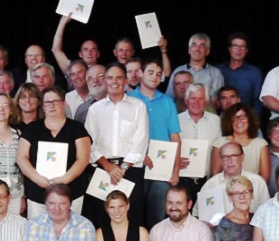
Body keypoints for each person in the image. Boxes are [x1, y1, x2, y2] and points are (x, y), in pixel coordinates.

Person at [84, 63, 150, 228]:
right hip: (102, 169)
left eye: (119, 77)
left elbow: (141, 141)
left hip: (130, 171)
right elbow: (88, 143)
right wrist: (108, 167)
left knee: (132, 220)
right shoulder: (94, 110)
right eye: (110, 78)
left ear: (126, 80)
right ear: (104, 81)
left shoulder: (138, 106)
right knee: (103, 221)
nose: (114, 82)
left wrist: (122, 168)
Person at [16, 85, 91, 218]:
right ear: (43, 106)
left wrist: (64, 180)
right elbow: (21, 157)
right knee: (38, 230)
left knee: (69, 230)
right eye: (47, 102)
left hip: (71, 192)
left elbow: (83, 159)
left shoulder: (77, 128)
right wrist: (37, 179)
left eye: (55, 101)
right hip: (38, 192)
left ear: (64, 104)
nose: (51, 106)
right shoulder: (32, 129)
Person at [129, 59, 183, 229]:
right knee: (133, 214)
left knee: (157, 217)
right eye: (151, 72)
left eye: (159, 74)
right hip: (136, 166)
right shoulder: (129, 99)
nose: (155, 77)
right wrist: (139, 154)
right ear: (140, 73)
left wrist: (175, 171)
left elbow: (175, 138)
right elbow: (123, 137)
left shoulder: (167, 101)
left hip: (162, 169)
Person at [194, 142, 270, 224]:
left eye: (234, 156)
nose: (229, 161)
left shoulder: (258, 182)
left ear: (242, 157)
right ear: (220, 160)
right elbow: (196, 214)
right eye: (225, 157)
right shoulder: (210, 185)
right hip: (217, 231)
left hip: (252, 230)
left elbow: (268, 213)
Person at [177, 83, 222, 202]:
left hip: (207, 182)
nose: (196, 102)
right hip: (181, 181)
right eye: (193, 98)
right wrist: (174, 160)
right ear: (186, 100)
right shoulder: (176, 120)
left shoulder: (216, 121)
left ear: (206, 101)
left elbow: (219, 150)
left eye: (201, 98)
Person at [210, 103, 270, 181]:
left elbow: (264, 177)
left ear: (250, 119)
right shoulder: (220, 143)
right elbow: (215, 174)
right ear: (229, 121)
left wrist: (249, 188)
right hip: (225, 187)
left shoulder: (260, 144)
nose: (239, 121)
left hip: (253, 187)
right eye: (235, 118)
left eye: (243, 117)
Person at [165, 33, 224, 104]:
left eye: (201, 45)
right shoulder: (178, 71)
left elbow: (217, 101)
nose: (197, 49)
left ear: (207, 51)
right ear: (189, 50)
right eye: (194, 45)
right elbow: (169, 98)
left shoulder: (215, 73)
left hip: (206, 110)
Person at [215, 32, 263, 115]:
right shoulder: (217, 70)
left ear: (246, 51)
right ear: (229, 49)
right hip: (220, 118)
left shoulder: (254, 72)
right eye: (235, 46)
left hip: (245, 118)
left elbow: (258, 101)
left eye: (242, 46)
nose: (238, 50)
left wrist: (253, 120)